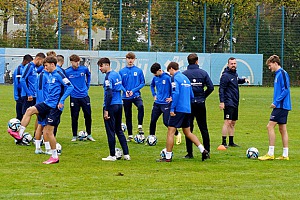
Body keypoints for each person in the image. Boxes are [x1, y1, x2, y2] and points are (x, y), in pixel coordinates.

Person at [9, 56, 74, 164]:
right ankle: (19, 134)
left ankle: (54, 156)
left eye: (46, 65)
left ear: (52, 64)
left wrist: (61, 100)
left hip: (55, 107)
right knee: (29, 110)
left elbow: (70, 87)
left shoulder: (58, 73)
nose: (45, 67)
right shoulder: (48, 74)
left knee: (48, 132)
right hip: (46, 103)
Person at [157, 62, 209, 162]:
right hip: (187, 109)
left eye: (170, 72)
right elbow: (191, 95)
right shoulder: (186, 79)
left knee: (170, 132)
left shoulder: (175, 78)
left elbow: (175, 92)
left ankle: (167, 157)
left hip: (178, 109)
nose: (170, 74)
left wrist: (172, 108)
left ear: (172, 69)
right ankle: (203, 150)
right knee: (188, 132)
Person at [258, 55, 291, 161]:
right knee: (282, 129)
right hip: (282, 106)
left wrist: (276, 102)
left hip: (281, 106)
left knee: (269, 126)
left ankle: (270, 153)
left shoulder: (282, 73)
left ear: (275, 63)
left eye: (270, 65)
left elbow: (286, 90)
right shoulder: (277, 74)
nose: (269, 68)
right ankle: (285, 155)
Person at [98, 57, 130, 161]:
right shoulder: (117, 74)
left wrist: (106, 109)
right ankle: (126, 154)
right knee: (119, 130)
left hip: (111, 106)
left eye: (101, 66)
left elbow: (109, 94)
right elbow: (120, 87)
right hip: (119, 104)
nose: (100, 68)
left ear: (107, 65)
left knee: (110, 131)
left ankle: (112, 155)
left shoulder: (108, 77)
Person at [182, 53, 214, 158]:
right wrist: (203, 96)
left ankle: (189, 153)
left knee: (188, 129)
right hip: (200, 104)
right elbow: (211, 87)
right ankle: (207, 151)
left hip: (188, 105)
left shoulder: (184, 74)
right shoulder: (203, 73)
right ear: (197, 61)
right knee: (203, 128)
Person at [219, 57, 249, 148]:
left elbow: (237, 80)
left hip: (235, 102)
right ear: (228, 64)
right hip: (228, 102)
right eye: (231, 64)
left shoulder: (234, 74)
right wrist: (222, 102)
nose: (233, 65)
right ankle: (224, 142)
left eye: (234, 63)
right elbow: (221, 89)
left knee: (233, 123)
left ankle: (231, 142)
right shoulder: (225, 76)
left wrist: (244, 80)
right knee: (227, 122)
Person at [65, 54, 95, 142]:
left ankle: (89, 134)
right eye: (75, 61)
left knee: (88, 115)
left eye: (78, 61)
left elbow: (89, 75)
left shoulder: (84, 69)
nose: (77, 63)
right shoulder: (67, 72)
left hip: (84, 96)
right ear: (71, 62)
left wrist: (87, 85)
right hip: (74, 97)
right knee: (74, 116)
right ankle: (74, 135)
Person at [149, 63, 181, 144]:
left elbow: (174, 89)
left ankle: (177, 134)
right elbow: (152, 86)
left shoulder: (168, 78)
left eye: (155, 73)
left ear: (160, 70)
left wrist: (171, 98)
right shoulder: (155, 78)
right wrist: (154, 94)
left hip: (166, 103)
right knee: (153, 120)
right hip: (157, 103)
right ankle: (151, 138)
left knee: (166, 122)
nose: (155, 75)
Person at [119, 52, 145, 141]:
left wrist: (133, 91)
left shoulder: (138, 71)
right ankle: (130, 135)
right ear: (126, 59)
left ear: (134, 60)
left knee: (141, 106)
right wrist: (125, 91)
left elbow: (142, 83)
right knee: (128, 115)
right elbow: (120, 84)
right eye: (128, 58)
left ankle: (140, 125)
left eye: (132, 59)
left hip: (136, 95)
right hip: (126, 97)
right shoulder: (122, 71)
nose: (130, 60)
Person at [13, 54, 33, 121]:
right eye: (28, 62)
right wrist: (19, 97)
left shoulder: (27, 69)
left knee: (25, 114)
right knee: (20, 116)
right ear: (25, 61)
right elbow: (19, 85)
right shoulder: (18, 70)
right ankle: (16, 130)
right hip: (20, 96)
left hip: (25, 95)